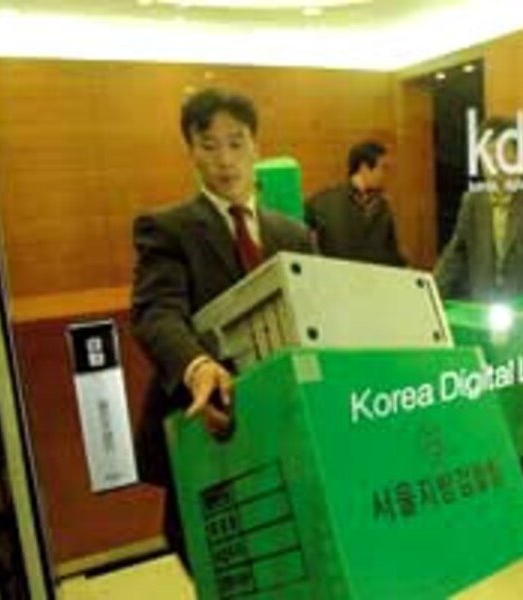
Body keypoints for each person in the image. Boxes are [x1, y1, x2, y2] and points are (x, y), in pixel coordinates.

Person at [131, 88, 313, 571]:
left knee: (287, 557)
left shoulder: (294, 235)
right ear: (191, 151)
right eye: (209, 145)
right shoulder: (167, 228)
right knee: (220, 564)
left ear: (256, 146)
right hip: (206, 425)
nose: (225, 160)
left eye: (236, 142)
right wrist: (196, 366)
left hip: (281, 428)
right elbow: (156, 312)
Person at [434, 116, 523, 496]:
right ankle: (502, 477)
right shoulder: (473, 201)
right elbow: (456, 254)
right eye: (485, 155)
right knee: (495, 402)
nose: (492, 164)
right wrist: (426, 294)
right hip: (489, 322)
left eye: (499, 154)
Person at [305, 141, 405, 266]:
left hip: (373, 276)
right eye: (383, 168)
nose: (385, 175)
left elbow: (392, 255)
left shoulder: (383, 208)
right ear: (364, 168)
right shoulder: (323, 203)